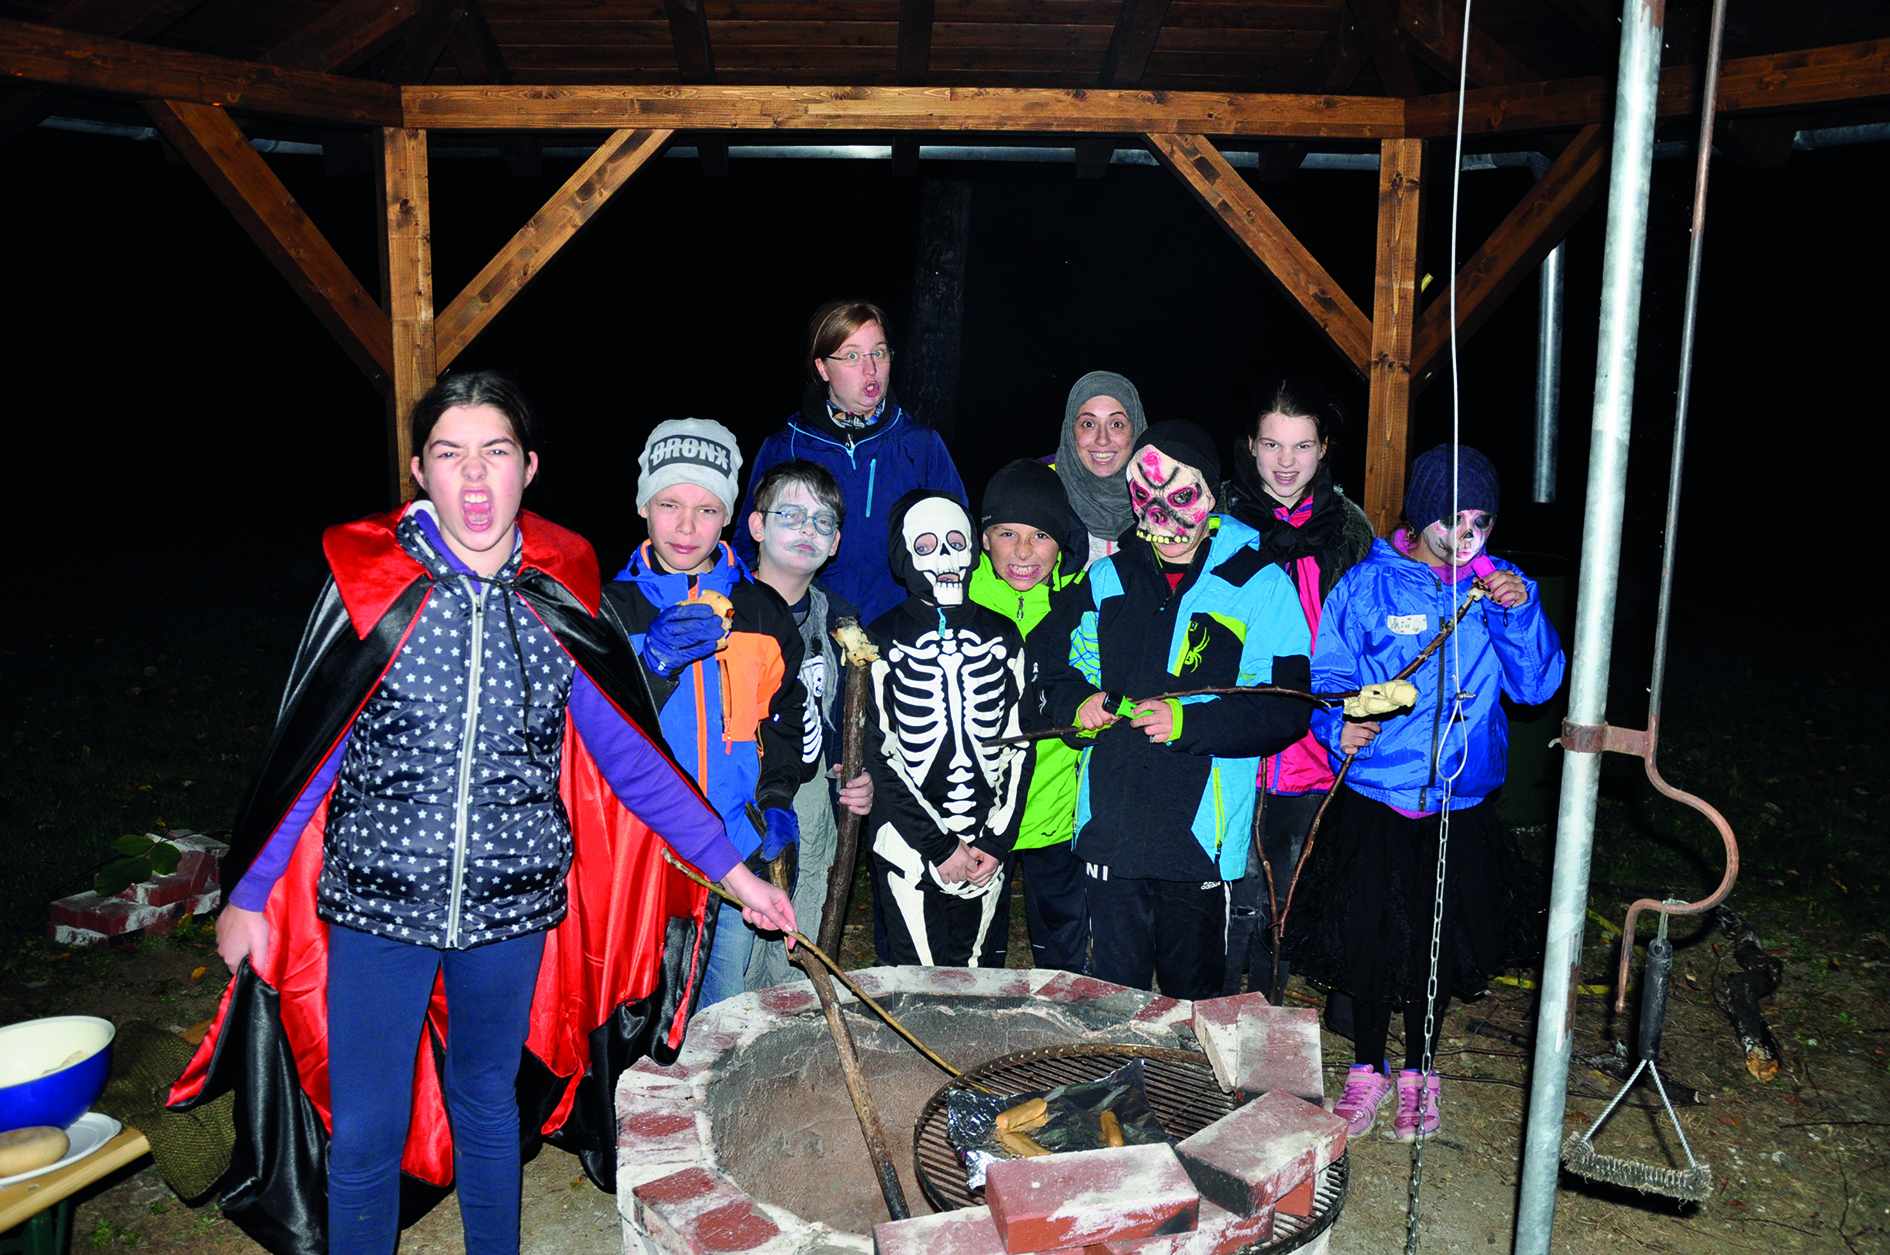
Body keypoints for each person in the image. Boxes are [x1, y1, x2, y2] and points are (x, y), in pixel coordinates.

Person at [187, 373, 794, 1255]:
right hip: (376, 903)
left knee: (485, 1107)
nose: (474, 476)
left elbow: (637, 765)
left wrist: (736, 875)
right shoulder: (372, 589)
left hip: (511, 907)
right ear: (419, 471)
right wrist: (249, 893)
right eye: (451, 453)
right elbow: (309, 760)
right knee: (365, 1132)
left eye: (496, 452)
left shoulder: (558, 597)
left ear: (529, 468)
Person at [1286, 444, 1563, 1141]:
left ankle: (1421, 1072)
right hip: (1379, 796)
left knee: (1437, 943)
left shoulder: (1500, 588)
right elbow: (1330, 676)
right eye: (1451, 519)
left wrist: (1519, 611)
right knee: (1371, 937)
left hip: (1457, 802)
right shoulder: (1368, 584)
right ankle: (1368, 1066)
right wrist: (1336, 726)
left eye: (1480, 522)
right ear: (1419, 515)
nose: (1465, 535)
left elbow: (1537, 686)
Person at [1033, 421, 1312, 1000]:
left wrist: (1190, 723)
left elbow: (1287, 708)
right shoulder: (1106, 578)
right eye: (1145, 496)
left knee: (1195, 1001)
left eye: (1181, 495)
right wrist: (1079, 703)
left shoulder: (1259, 584)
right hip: (1112, 831)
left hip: (1198, 839)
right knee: (1116, 997)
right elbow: (1053, 668)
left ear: (1211, 493)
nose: (1162, 514)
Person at [603, 419, 814, 1009]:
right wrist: (653, 664)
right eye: (669, 504)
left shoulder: (762, 610)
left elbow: (784, 717)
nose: (686, 526)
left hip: (732, 848)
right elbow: (593, 733)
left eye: (706, 509)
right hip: (638, 855)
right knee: (640, 1012)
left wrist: (776, 800)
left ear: (728, 518)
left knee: (722, 1010)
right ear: (643, 506)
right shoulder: (609, 608)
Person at [1218, 379, 1375, 998]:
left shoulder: (1350, 531)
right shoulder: (1217, 516)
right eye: (1272, 445)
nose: (1286, 462)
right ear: (1250, 446)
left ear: (1324, 448)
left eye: (1302, 446)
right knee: (1232, 888)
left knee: (1286, 890)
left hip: (1317, 739)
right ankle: (1215, 1009)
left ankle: (1269, 1015)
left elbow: (1366, 633)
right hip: (1234, 736)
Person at [866, 489, 1032, 967]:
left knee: (978, 978)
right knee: (916, 981)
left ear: (973, 550)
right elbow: (878, 754)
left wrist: (995, 842)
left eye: (956, 542)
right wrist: (938, 846)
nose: (945, 559)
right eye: (926, 547)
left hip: (985, 846)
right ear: (903, 556)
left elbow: (1020, 744)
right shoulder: (879, 639)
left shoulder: (1003, 635)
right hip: (908, 844)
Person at [735, 300, 967, 626]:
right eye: (852, 356)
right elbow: (746, 548)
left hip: (898, 631)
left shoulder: (920, 445)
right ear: (822, 367)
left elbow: (960, 546)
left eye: (879, 353)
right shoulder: (786, 446)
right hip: (805, 632)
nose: (870, 369)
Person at [740, 459, 875, 988]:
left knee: (805, 911)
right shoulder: (724, 608)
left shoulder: (842, 624)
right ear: (757, 525)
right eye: (791, 516)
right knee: (736, 939)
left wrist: (857, 774)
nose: (807, 530)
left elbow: (853, 720)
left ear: (836, 542)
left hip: (813, 793)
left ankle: (788, 1013)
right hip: (739, 795)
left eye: (822, 522)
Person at [966, 459, 1088, 972]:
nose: (1022, 552)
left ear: (1061, 543)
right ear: (984, 538)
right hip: (977, 811)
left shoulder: (1080, 603)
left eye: (1040, 535)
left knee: (1063, 947)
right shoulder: (958, 598)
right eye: (1007, 533)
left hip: (1055, 804)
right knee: (976, 947)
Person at [1049, 371, 1148, 571]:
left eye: (1116, 424)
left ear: (1135, 430)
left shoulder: (1165, 496)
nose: (1102, 439)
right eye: (1088, 424)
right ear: (1071, 430)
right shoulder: (1042, 491)